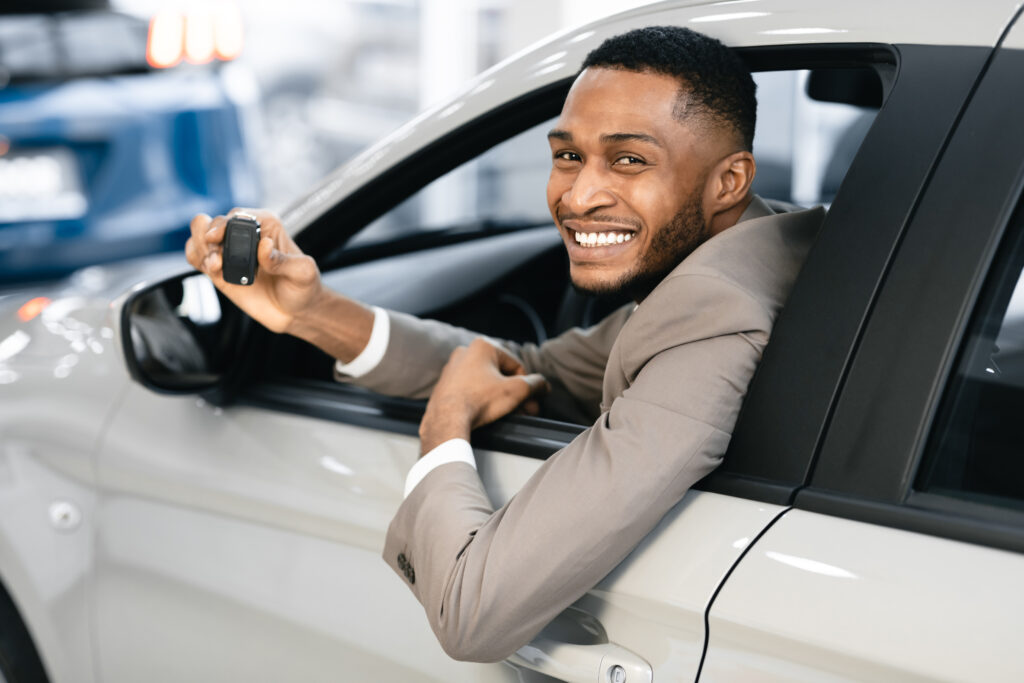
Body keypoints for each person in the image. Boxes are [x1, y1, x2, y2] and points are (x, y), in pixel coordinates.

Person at [186, 26, 824, 663]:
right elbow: (537, 369)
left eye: (629, 160)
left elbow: (473, 614)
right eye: (568, 155)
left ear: (729, 181)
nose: (577, 196)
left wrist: (445, 428)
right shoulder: (776, 249)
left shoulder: (712, 315)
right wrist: (312, 311)